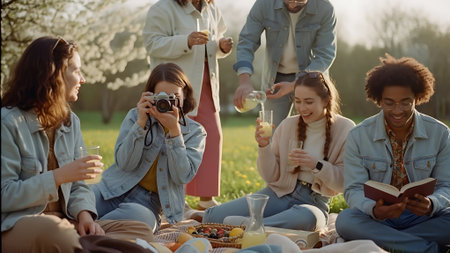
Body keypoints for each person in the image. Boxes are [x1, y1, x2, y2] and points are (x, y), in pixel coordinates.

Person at [1, 36, 153, 253]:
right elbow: (4, 194)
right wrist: (59, 176)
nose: (82, 79)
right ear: (53, 74)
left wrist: (84, 215)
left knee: (140, 230)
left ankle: (86, 244)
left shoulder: (70, 122)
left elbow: (79, 185)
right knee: (55, 232)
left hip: (65, 222)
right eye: (76, 70)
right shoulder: (8, 123)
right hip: (18, 224)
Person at [203, 72, 355, 230]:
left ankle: (249, 226)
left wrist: (315, 165)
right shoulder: (288, 125)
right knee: (211, 217)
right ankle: (258, 226)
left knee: (307, 219)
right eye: (298, 101)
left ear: (326, 100)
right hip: (277, 194)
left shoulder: (345, 129)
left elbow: (345, 182)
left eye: (308, 102)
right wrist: (263, 146)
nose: (302, 108)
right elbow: (271, 176)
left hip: (313, 203)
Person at [335, 55, 450, 252]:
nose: (398, 110)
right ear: (378, 101)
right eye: (390, 103)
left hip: (423, 217)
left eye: (406, 102)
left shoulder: (440, 133)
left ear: (417, 98)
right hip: (379, 218)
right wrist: (374, 210)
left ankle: (389, 241)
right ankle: (426, 248)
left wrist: (432, 204)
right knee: (345, 221)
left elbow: (447, 185)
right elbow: (353, 189)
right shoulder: (358, 135)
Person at [91, 63, 207, 232]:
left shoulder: (195, 132)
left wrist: (175, 132)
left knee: (142, 221)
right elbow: (124, 163)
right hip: (112, 189)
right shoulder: (136, 116)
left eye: (174, 96)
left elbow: (182, 175)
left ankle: (87, 227)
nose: (167, 102)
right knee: (80, 200)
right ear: (151, 95)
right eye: (162, 97)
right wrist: (140, 124)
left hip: (147, 204)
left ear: (185, 94)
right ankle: (91, 225)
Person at [143, 0, 232, 211]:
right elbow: (152, 43)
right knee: (175, 138)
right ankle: (175, 200)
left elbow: (214, 42)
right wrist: (187, 41)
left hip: (207, 83)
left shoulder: (211, 9)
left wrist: (221, 46)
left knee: (212, 136)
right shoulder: (162, 9)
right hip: (175, 87)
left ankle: (205, 199)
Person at [233, 0, 337, 129]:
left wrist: (295, 84)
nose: (293, 4)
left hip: (311, 79)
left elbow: (325, 55)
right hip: (275, 80)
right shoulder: (264, 4)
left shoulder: (325, 8)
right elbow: (246, 42)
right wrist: (244, 81)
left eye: (299, 1)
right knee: (271, 133)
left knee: (313, 131)